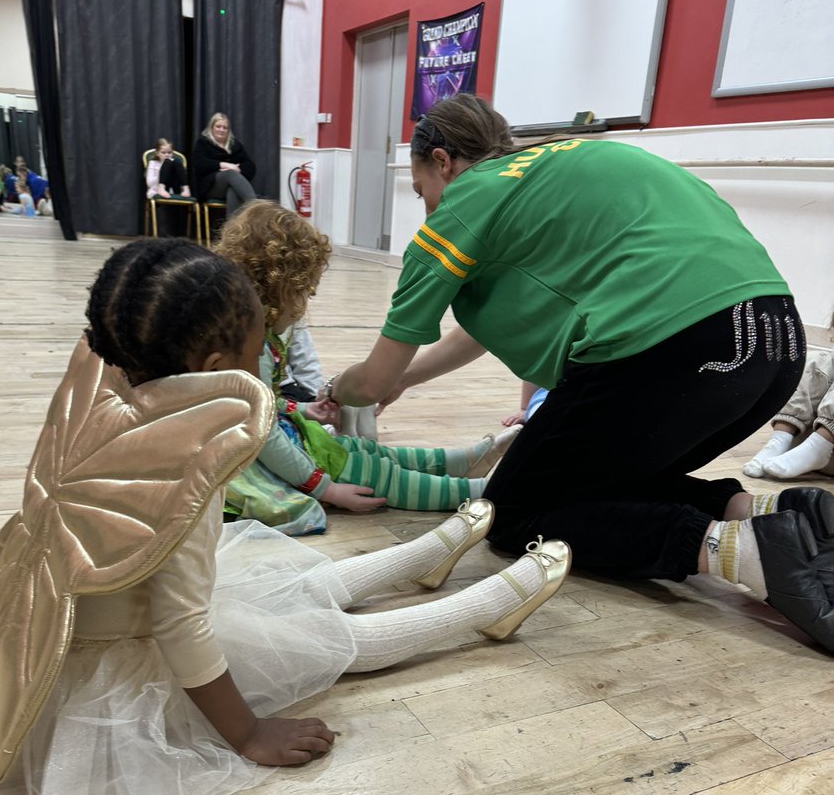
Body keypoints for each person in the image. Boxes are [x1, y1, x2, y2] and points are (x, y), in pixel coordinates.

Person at [0, 237, 571, 795]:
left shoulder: (111, 394)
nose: (269, 355)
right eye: (259, 345)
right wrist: (247, 733)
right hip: (129, 651)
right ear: (216, 371)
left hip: (78, 605)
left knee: (281, 595)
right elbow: (179, 625)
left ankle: (427, 554)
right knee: (320, 641)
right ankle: (480, 606)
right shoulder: (182, 479)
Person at [325, 93, 834, 652]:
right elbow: (478, 330)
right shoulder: (562, 164)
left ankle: (744, 554)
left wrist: (330, 392)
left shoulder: (461, 208)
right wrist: (409, 379)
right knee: (598, 475)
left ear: (443, 161)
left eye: (421, 189)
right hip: (776, 341)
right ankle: (773, 510)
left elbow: (368, 383)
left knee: (515, 510)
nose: (426, 207)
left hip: (677, 345)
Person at [215, 201, 519, 530]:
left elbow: (260, 404)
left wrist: (301, 410)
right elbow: (262, 436)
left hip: (284, 439)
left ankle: (463, 460)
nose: (303, 307)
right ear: (278, 287)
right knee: (372, 472)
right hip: (258, 463)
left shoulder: (253, 335)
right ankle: (481, 492)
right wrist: (325, 488)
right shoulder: (252, 346)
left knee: (357, 448)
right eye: (302, 293)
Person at [744, 331, 834, 480]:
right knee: (817, 360)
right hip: (802, 443)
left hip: (827, 450)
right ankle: (780, 440)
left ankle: (819, 447)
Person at [193, 111, 257, 219]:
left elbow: (251, 167)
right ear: (211, 127)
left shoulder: (235, 145)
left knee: (233, 190)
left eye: (225, 128)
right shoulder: (203, 143)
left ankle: (231, 231)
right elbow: (199, 165)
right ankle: (256, 208)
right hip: (210, 187)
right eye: (218, 126)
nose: (221, 130)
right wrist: (224, 165)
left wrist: (238, 170)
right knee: (230, 174)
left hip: (231, 184)